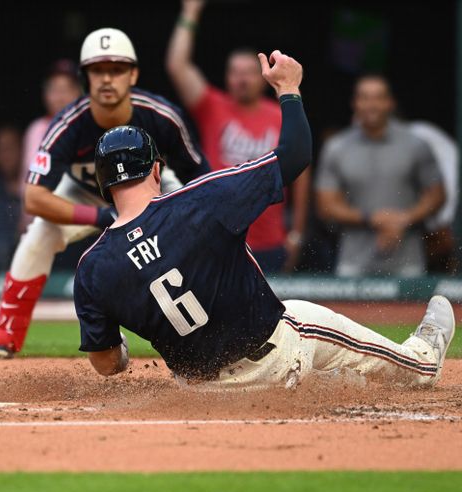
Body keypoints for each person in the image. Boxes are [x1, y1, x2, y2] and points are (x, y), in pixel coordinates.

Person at [74, 51, 453, 391]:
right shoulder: (202, 199)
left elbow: (107, 364)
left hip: (199, 392)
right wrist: (288, 87)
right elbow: (295, 155)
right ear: (157, 169)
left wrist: (120, 353)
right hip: (274, 360)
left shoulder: (91, 268)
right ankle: (422, 360)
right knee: (300, 314)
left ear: (103, 185)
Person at [0, 27, 210, 359]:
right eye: (98, 70)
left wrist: (191, 221)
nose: (107, 79)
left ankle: (222, 323)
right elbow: (33, 198)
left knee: (201, 233)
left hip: (152, 191)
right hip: (88, 194)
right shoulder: (69, 123)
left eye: (116, 70)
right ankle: (7, 331)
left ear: (133, 74)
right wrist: (102, 216)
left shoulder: (161, 115)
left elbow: (200, 176)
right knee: (40, 232)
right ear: (86, 78)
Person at [166, 0, 310, 273]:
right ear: (226, 77)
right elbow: (177, 66)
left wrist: (297, 233)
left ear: (264, 76)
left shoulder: (281, 111)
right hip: (216, 234)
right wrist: (190, 12)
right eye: (235, 72)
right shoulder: (212, 105)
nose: (242, 79)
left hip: (269, 241)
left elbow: (302, 174)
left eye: (249, 73)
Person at [315, 74, 445, 277]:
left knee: (414, 309)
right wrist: (372, 218)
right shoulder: (337, 147)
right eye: (364, 97)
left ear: (390, 103)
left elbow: (437, 195)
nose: (371, 104)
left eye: (378, 97)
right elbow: (325, 206)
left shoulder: (415, 144)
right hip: (353, 262)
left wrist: (404, 218)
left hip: (408, 262)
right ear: (354, 103)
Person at [19, 60, 82, 233]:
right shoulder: (36, 129)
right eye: (54, 90)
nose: (60, 97)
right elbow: (27, 189)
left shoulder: (90, 126)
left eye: (66, 89)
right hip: (42, 225)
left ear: (79, 92)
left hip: (85, 222)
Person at [407, 121, 459, 273]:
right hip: (435, 217)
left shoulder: (417, 134)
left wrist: (443, 221)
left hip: (447, 212)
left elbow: (445, 186)